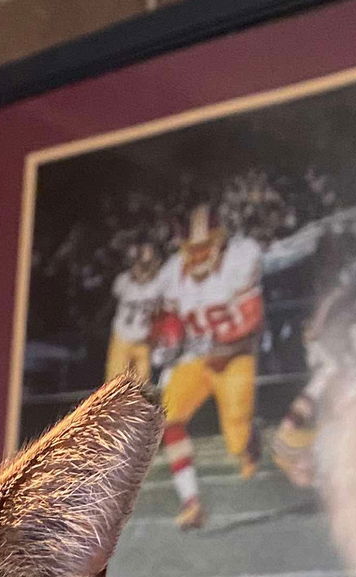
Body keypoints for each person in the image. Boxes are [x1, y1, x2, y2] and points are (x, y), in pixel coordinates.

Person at [151, 205, 266, 530]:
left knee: (236, 440)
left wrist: (226, 347)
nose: (198, 255)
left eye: (204, 247)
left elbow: (254, 324)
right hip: (195, 356)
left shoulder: (241, 260)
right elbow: (167, 320)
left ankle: (248, 441)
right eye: (192, 249)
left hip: (234, 352)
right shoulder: (174, 271)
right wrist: (167, 336)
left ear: (219, 242)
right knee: (169, 419)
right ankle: (192, 503)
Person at [104, 240, 164, 384]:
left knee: (141, 388)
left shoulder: (160, 283)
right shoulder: (123, 281)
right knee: (115, 385)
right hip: (122, 338)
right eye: (140, 263)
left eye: (148, 263)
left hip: (145, 341)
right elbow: (111, 304)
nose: (143, 268)